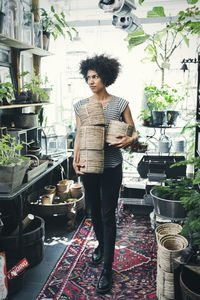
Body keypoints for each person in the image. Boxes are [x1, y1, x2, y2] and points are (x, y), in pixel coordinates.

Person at [73, 54, 137, 294]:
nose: (91, 81)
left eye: (95, 76)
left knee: (108, 215)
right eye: (88, 77)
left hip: (111, 167)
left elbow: (133, 132)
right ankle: (101, 244)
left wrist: (130, 139)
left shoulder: (120, 104)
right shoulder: (80, 105)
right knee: (94, 212)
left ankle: (107, 268)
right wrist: (74, 158)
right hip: (89, 166)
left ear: (105, 76)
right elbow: (78, 134)